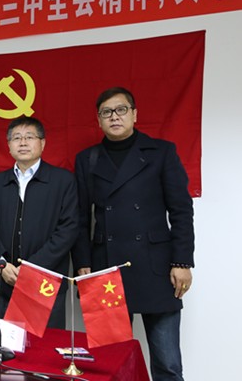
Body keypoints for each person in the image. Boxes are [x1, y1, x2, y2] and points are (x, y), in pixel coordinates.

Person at [72, 87, 194, 381]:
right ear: (99, 120)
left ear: (134, 114)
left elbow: (181, 210)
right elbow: (79, 217)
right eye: (107, 112)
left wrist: (182, 262)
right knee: (109, 363)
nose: (114, 117)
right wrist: (82, 263)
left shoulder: (162, 152)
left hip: (157, 268)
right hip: (105, 268)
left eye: (121, 110)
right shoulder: (87, 159)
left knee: (167, 363)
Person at [0, 117, 78, 326]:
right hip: (8, 279)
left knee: (48, 344)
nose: (22, 143)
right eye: (16, 138)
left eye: (29, 137)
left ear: (43, 143)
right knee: (8, 343)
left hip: (46, 282)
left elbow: (68, 229)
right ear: (9, 145)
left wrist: (32, 269)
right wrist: (2, 264)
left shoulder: (63, 181)